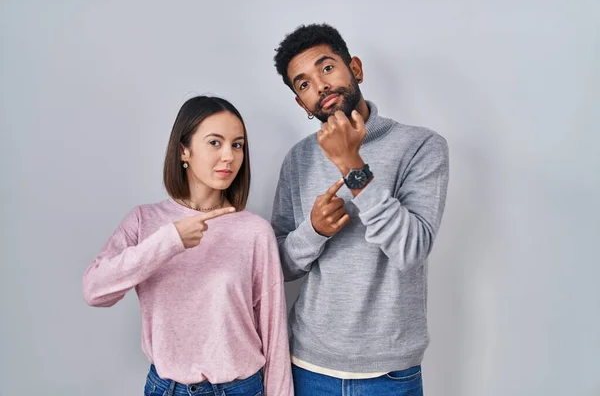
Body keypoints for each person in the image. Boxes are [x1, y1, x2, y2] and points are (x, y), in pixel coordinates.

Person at [271, 23, 450, 395]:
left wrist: (352, 165)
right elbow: (278, 267)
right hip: (308, 366)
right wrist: (314, 230)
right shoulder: (298, 160)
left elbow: (410, 250)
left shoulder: (422, 147)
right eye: (303, 84)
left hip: (390, 373)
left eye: (326, 67)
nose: (319, 86)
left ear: (355, 68)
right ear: (301, 104)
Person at [82, 95, 293, 396]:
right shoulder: (145, 221)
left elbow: (274, 333)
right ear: (184, 150)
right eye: (214, 142)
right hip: (166, 389)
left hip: (240, 389)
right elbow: (94, 290)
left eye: (237, 145)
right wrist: (170, 241)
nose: (229, 156)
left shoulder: (255, 231)